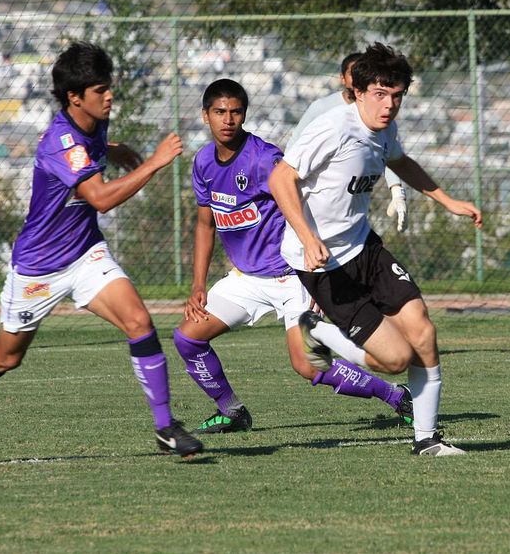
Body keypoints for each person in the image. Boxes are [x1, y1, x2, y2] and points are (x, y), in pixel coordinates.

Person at [0, 41, 203, 462]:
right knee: (8, 356)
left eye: (109, 86)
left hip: (85, 253)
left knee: (138, 320)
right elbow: (99, 198)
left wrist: (113, 148)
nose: (110, 95)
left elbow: (93, 154)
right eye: (100, 90)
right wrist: (152, 163)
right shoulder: (59, 141)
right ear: (74, 97)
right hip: (38, 267)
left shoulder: (95, 122)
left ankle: (165, 428)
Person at [270, 42, 483, 456]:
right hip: (323, 264)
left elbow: (400, 161)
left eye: (397, 95)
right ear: (360, 92)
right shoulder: (333, 127)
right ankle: (319, 334)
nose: (389, 104)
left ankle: (427, 441)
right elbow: (281, 180)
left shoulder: (385, 129)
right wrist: (309, 238)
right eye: (381, 94)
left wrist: (447, 200)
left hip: (364, 248)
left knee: (423, 330)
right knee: (395, 360)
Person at [174, 78, 412, 434]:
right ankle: (232, 410)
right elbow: (205, 225)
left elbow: (308, 202)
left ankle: (397, 397)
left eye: (236, 112)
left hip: (290, 275)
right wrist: (197, 285)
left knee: (307, 365)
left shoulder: (263, 159)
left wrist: (318, 277)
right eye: (219, 112)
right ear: (205, 116)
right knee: (188, 338)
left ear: (244, 115)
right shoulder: (204, 162)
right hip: (247, 278)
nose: (228, 120)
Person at [294, 52, 409, 234]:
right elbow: (293, 152)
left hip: (355, 201)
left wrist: (397, 191)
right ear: (342, 78)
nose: (357, 78)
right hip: (316, 206)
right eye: (353, 73)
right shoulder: (323, 110)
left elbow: (388, 152)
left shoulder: (379, 116)